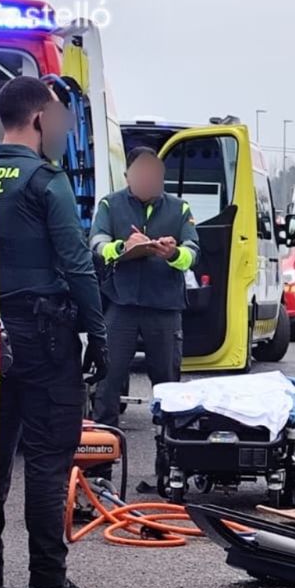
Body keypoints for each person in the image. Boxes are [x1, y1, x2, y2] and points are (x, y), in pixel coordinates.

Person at [0, 76, 107, 588]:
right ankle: (47, 585)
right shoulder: (45, 179)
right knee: (46, 460)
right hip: (43, 338)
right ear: (40, 119)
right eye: (59, 117)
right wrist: (98, 334)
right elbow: (76, 263)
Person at [89, 148, 199, 437]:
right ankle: (104, 455)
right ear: (128, 176)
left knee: (168, 385)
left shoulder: (179, 209)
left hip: (164, 308)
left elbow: (192, 252)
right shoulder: (110, 205)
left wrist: (173, 254)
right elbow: (97, 243)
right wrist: (122, 247)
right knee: (108, 381)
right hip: (121, 305)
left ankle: (170, 453)